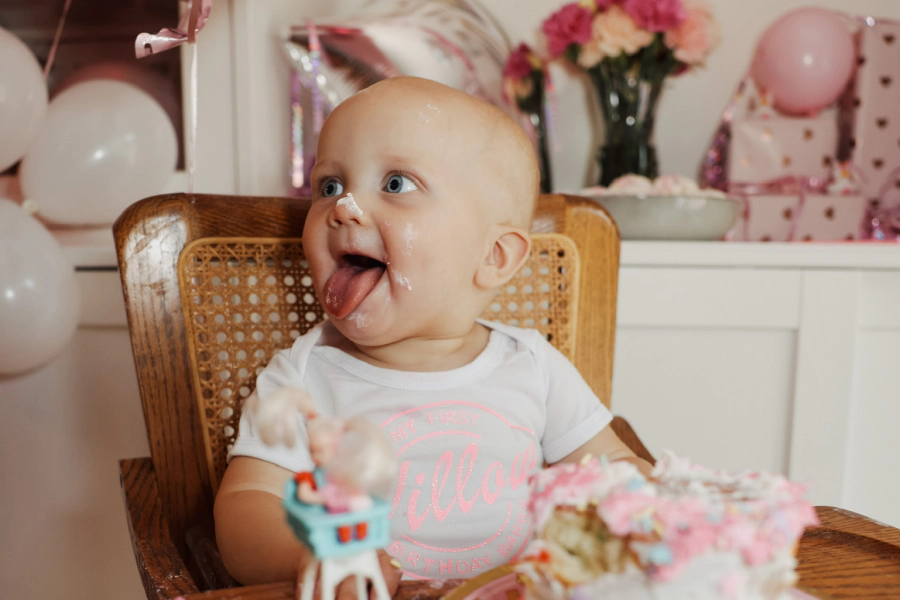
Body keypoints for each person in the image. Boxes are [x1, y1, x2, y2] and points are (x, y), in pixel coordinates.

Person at [214, 76, 651, 594]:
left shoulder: (532, 365)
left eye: (396, 184)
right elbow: (245, 510)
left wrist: (653, 512)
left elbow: (617, 470)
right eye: (330, 186)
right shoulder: (304, 377)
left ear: (494, 257)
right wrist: (317, 557)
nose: (345, 207)